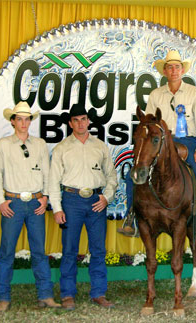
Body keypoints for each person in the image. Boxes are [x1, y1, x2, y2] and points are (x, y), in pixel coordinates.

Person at [119, 50, 196, 240]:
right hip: (160, 141)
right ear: (164, 71)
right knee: (135, 173)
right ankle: (132, 217)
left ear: (182, 70)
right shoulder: (155, 94)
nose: (174, 70)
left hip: (187, 141)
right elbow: (148, 123)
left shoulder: (194, 93)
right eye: (170, 67)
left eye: (177, 67)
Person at [0, 101, 60, 312]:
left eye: (27, 118)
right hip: (13, 202)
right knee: (7, 251)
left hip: (36, 203)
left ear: (30, 121)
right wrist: (1, 201)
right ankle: (2, 297)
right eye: (19, 118)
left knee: (39, 251)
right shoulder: (3, 144)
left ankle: (45, 295)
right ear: (12, 121)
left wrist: (45, 197)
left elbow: (47, 173)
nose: (23, 122)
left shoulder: (39, 144)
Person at [49, 105, 117, 310]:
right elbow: (53, 181)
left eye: (83, 119)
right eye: (76, 120)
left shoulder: (100, 146)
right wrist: (57, 208)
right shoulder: (61, 148)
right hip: (71, 201)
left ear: (89, 121)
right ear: (70, 123)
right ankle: (68, 294)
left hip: (96, 200)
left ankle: (98, 292)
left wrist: (106, 197)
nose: (80, 123)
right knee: (69, 250)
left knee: (98, 249)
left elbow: (111, 176)